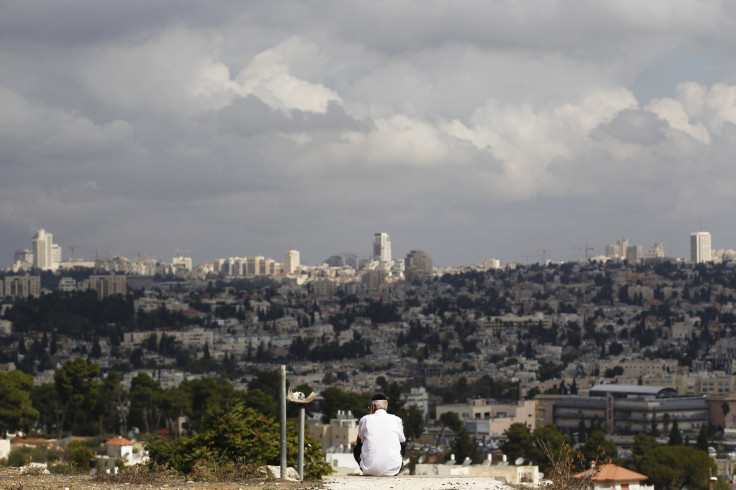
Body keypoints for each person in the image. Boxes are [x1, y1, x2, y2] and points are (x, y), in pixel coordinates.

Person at [353, 393, 407, 476]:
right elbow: (402, 441)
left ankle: (369, 465)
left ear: (373, 407)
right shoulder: (397, 420)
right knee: (401, 443)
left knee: (358, 443)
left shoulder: (365, 419)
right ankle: (393, 465)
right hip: (394, 471)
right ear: (386, 407)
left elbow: (359, 441)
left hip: (369, 470)